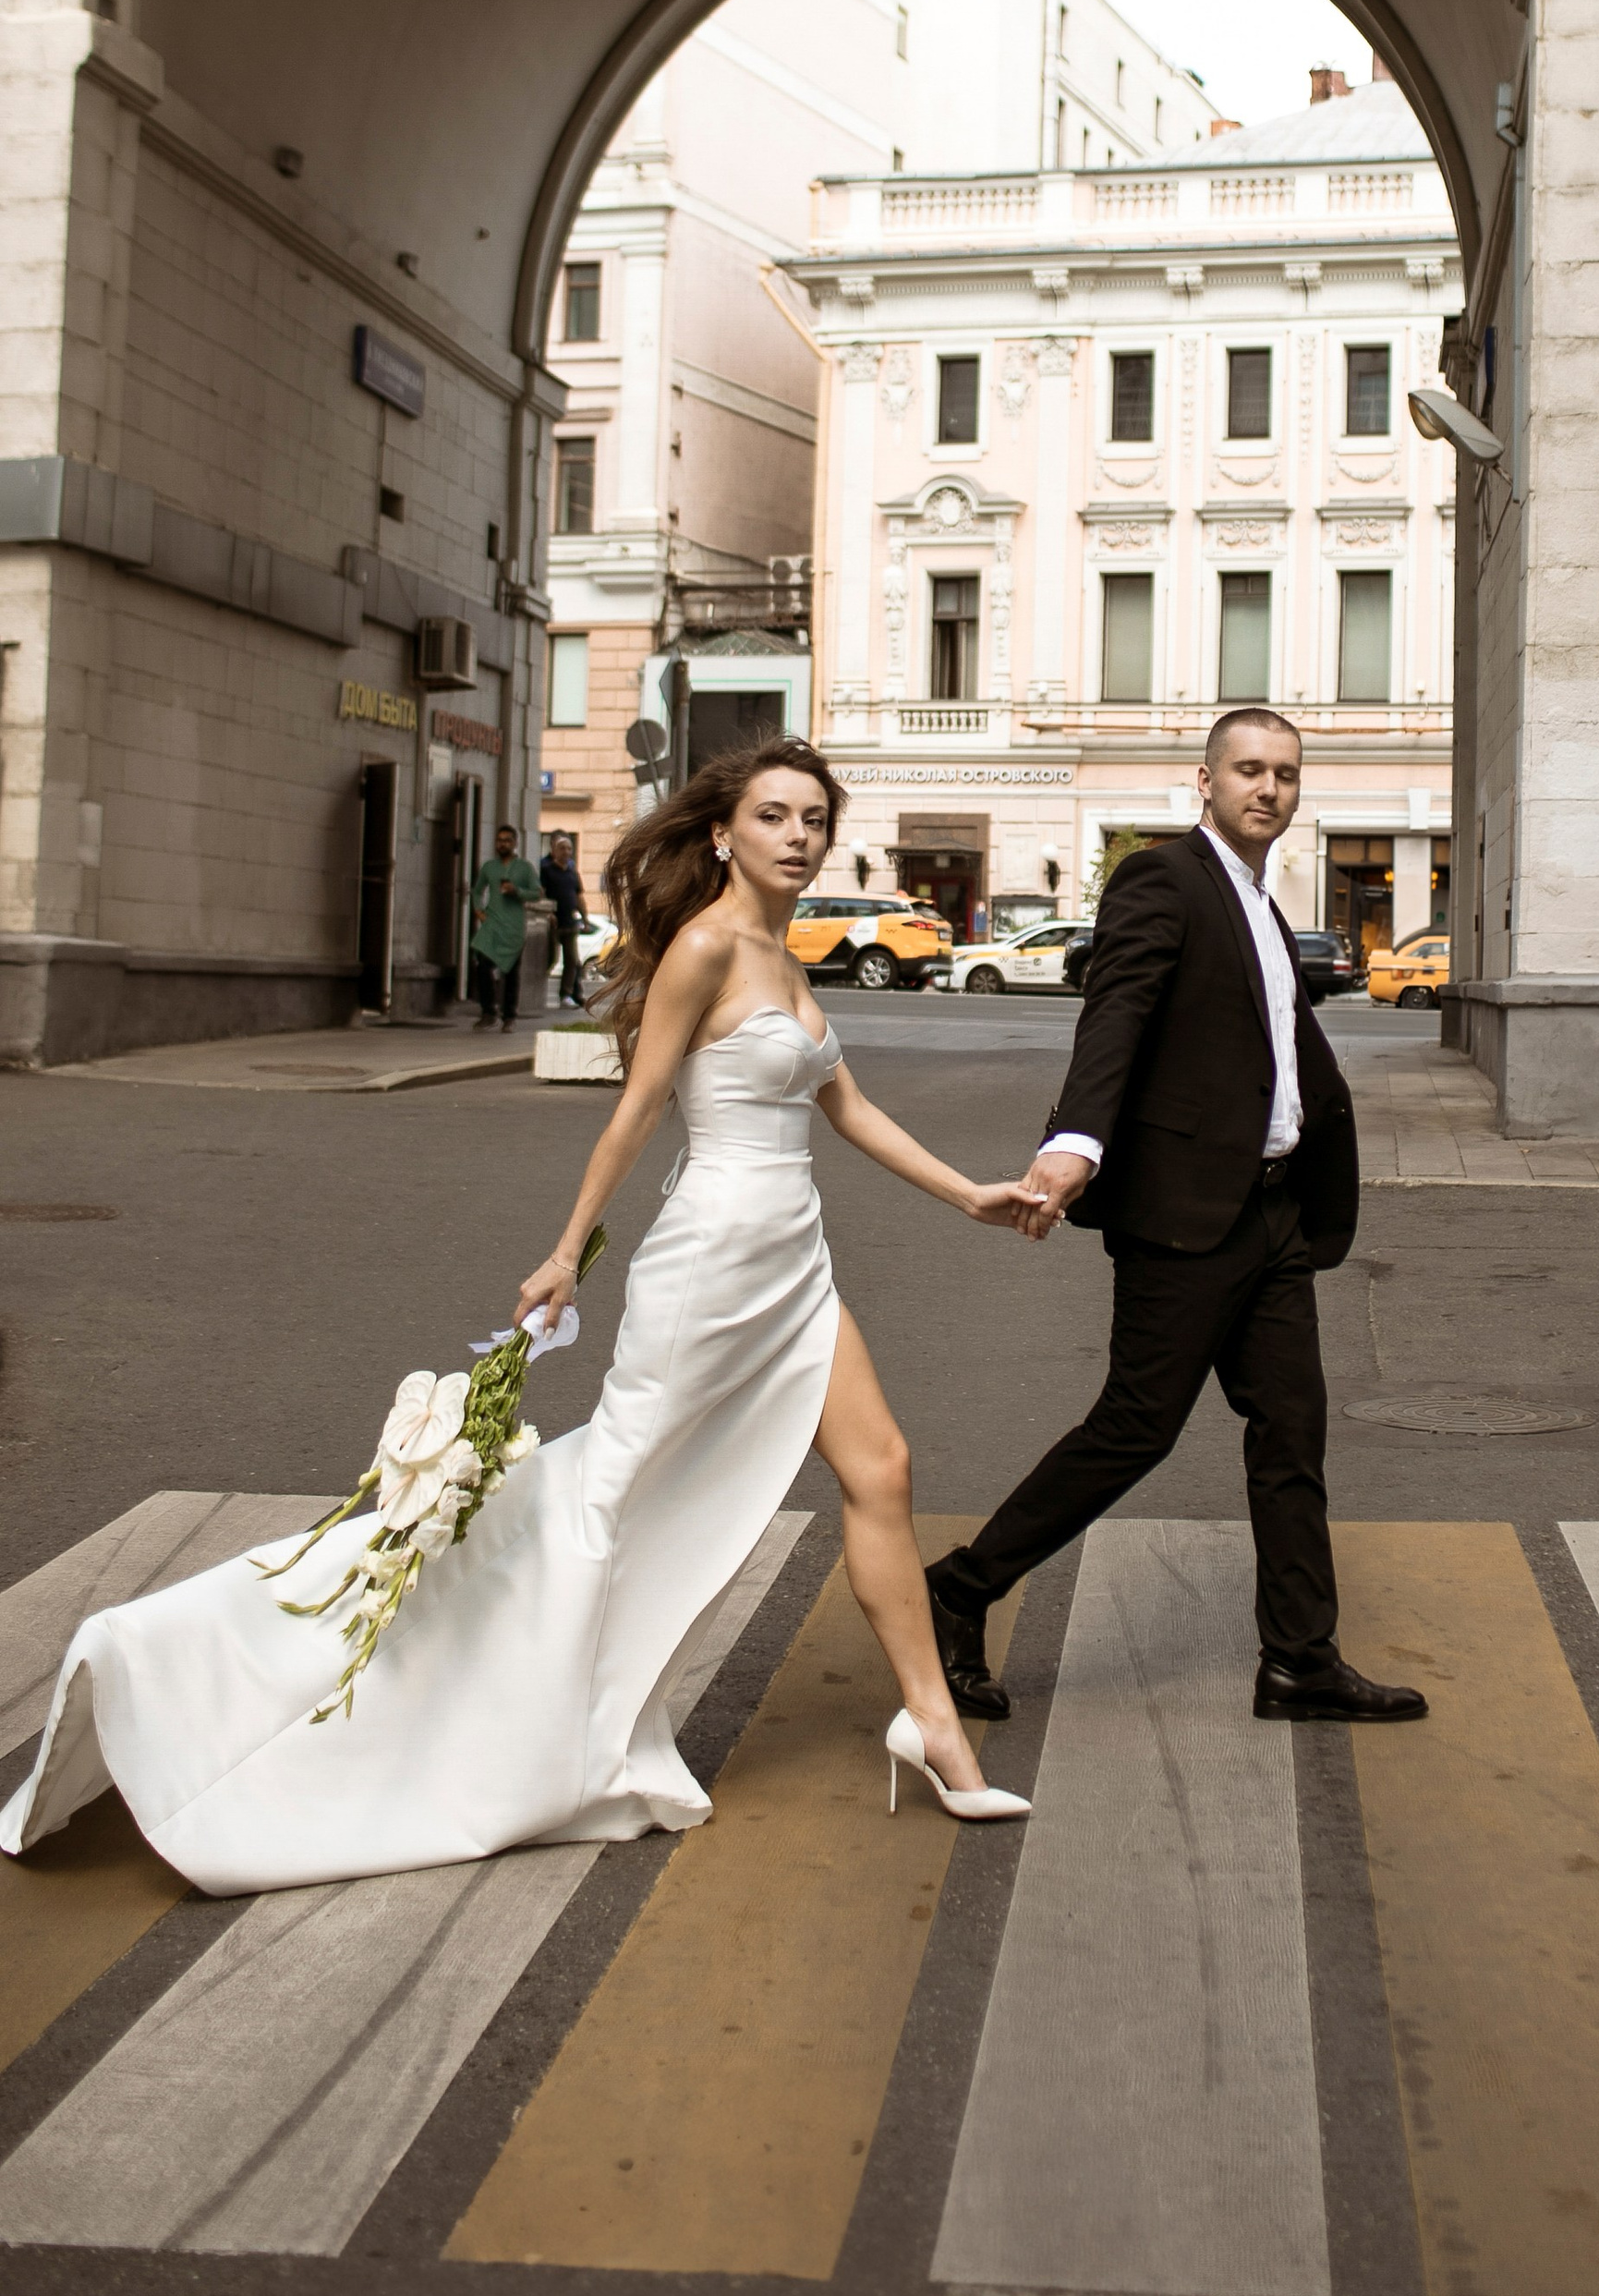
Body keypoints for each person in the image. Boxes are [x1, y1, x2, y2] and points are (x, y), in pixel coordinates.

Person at [1, 739, 1037, 1893]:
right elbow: (636, 1112)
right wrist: (566, 1255)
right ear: (721, 834)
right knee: (607, 1495)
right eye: (774, 816)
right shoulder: (703, 948)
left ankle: (931, 1729)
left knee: (882, 1469)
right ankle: (278, 1666)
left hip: (794, 1260)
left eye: (812, 819)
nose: (797, 836)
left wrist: (971, 1198)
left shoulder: (787, 958)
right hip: (706, 1268)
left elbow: (846, 1107)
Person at [925, 707, 1428, 1730]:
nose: (1268, 789)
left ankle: (1299, 1659)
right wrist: (1076, 1142)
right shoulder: (1163, 879)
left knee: (1292, 1432)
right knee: (1135, 1428)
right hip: (1189, 1215)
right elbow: (1117, 1015)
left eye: (1285, 774)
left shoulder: (1262, 899)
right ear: (1205, 782)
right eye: (1248, 770)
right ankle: (958, 1589)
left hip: (1275, 1213)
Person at [470, 822, 533, 1027]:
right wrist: (479, 911)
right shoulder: (490, 867)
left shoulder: (524, 868)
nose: (503, 844)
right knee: (482, 964)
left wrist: (517, 891)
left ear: (514, 843)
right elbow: (477, 890)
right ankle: (488, 1011)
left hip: (513, 927)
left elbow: (537, 892)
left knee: (511, 973)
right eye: (499, 840)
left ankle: (509, 1016)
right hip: (492, 924)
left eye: (507, 840)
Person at [539, 827, 587, 1005]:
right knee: (550, 958)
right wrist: (548, 913)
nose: (566, 852)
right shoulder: (545, 869)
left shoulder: (572, 872)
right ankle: (537, 989)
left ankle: (566, 995)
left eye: (569, 849)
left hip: (570, 922)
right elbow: (541, 894)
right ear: (554, 850)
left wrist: (585, 918)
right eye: (562, 848)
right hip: (552, 923)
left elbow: (578, 897)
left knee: (572, 961)